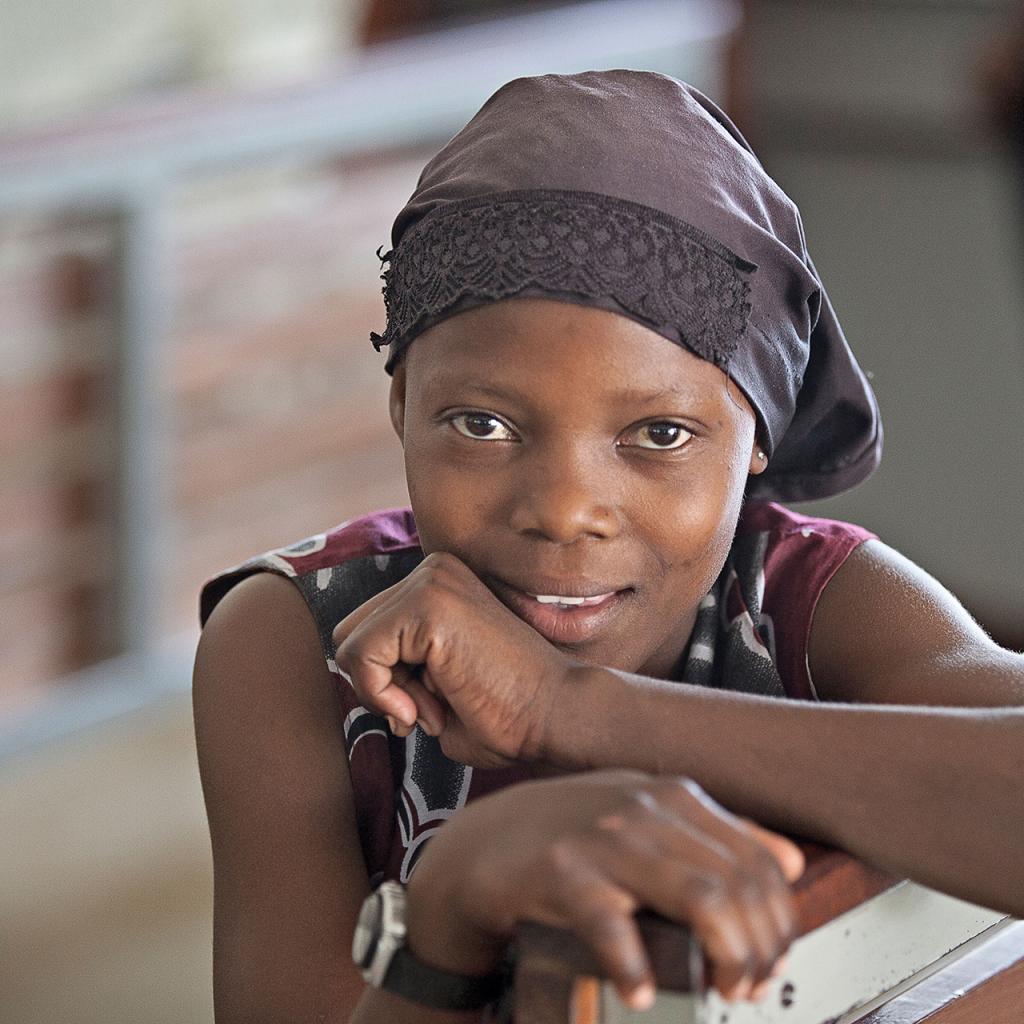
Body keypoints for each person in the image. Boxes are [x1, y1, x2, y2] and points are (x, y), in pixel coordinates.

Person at [192, 71, 1024, 1024]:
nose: (563, 511)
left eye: (660, 435)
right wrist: (452, 910)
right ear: (400, 407)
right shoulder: (299, 641)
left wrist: (576, 709)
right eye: (481, 424)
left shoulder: (807, 600)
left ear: (758, 439)